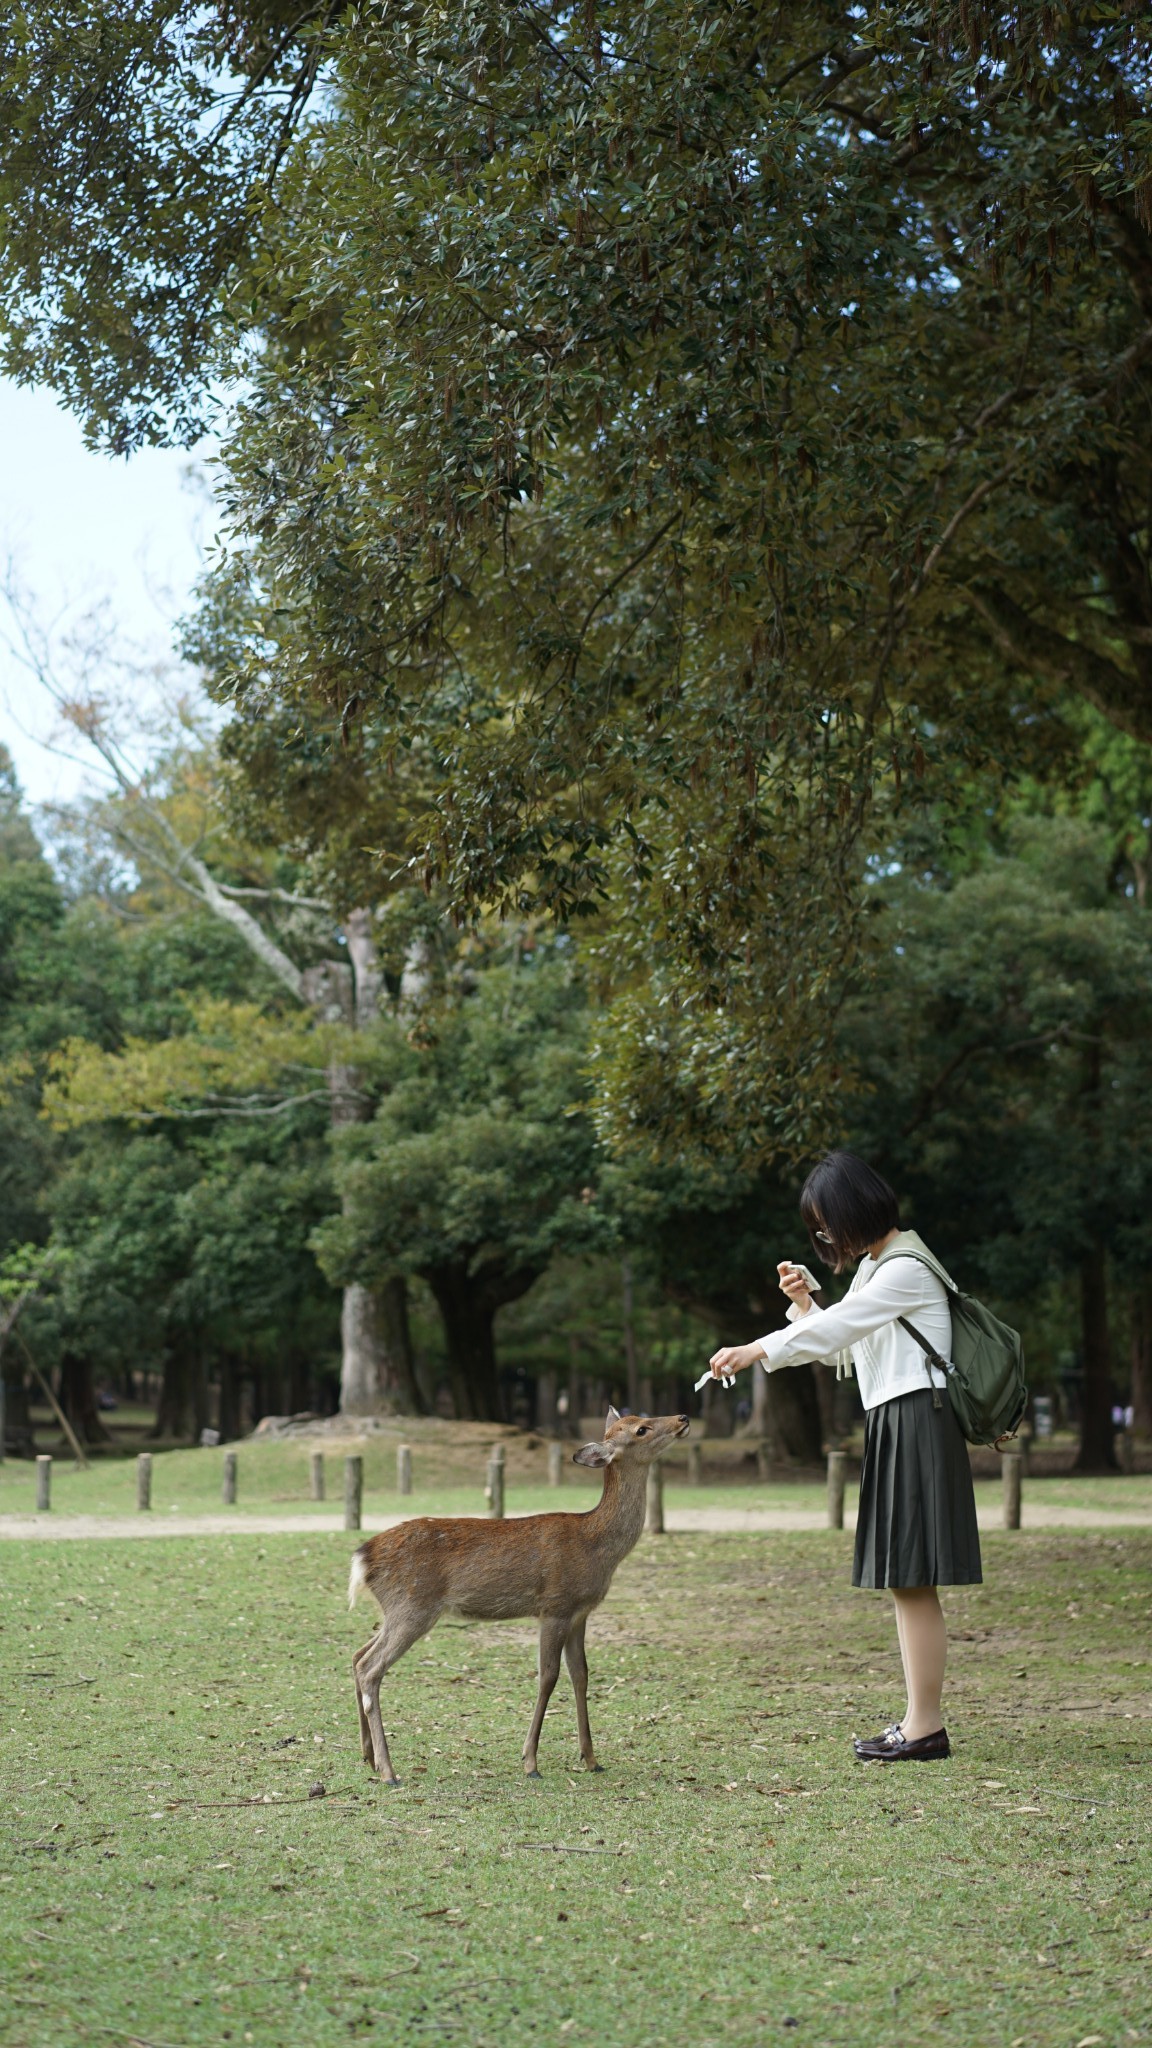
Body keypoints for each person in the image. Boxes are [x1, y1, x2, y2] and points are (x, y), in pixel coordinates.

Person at [709, 1149, 980, 1764]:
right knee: (904, 1581)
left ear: (854, 1209)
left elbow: (839, 1333)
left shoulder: (906, 1266)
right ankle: (919, 1721)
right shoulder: (880, 1266)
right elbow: (843, 1351)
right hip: (895, 1418)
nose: (825, 1236)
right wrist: (805, 1304)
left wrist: (756, 1347)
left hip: (917, 1419)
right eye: (818, 1229)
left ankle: (925, 1726)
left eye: (826, 1223)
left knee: (912, 1580)